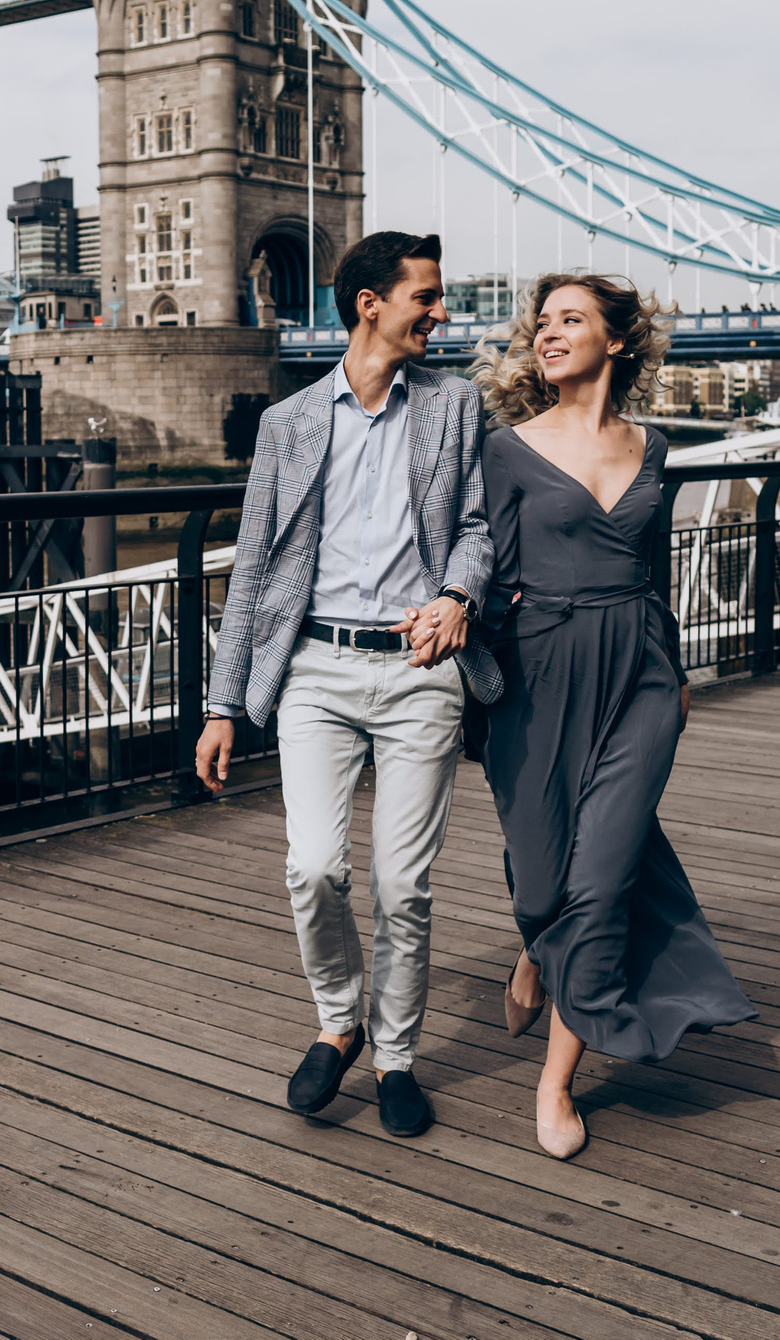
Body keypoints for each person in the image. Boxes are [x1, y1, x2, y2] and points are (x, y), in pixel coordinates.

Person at [194, 231, 498, 1138]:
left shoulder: (455, 405)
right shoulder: (287, 423)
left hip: (419, 671)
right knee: (313, 866)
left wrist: (456, 594)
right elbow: (252, 570)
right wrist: (220, 705)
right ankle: (339, 1022)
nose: (441, 313)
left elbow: (476, 529)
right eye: (426, 297)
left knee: (404, 885)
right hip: (315, 671)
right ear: (370, 302)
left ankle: (396, 1055)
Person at [470, 273, 756, 1159]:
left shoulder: (655, 446)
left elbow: (652, 570)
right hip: (540, 676)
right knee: (549, 877)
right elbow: (481, 570)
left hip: (639, 675)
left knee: (600, 884)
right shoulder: (504, 450)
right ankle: (540, 945)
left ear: (618, 341)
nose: (548, 335)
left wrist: (672, 671)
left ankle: (557, 1083)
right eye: (542, 323)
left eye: (571, 321)